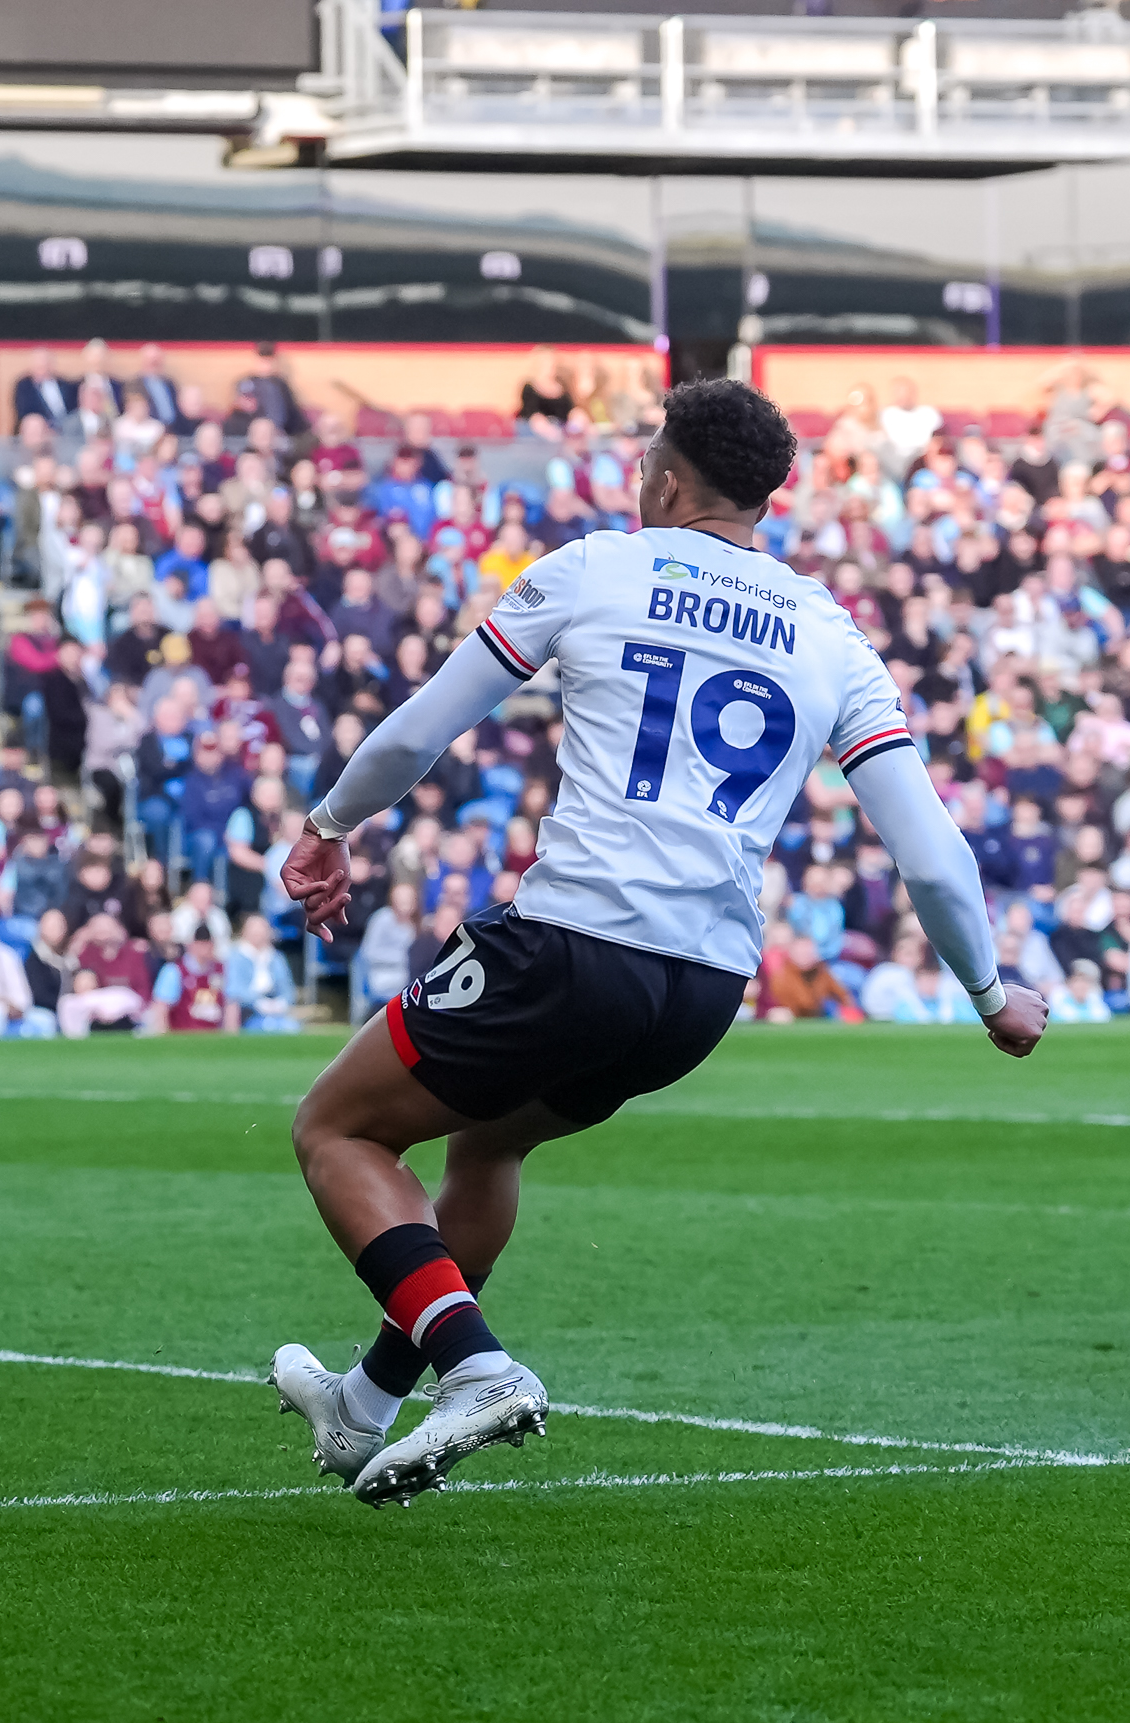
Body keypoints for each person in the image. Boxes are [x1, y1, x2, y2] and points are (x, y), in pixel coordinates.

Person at [271, 379, 1045, 1508]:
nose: (638, 473)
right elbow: (928, 854)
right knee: (485, 1147)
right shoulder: (832, 633)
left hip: (572, 941)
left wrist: (329, 826)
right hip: (698, 995)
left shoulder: (599, 568)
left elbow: (420, 730)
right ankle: (366, 1405)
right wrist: (988, 994)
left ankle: (476, 1369)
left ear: (670, 480)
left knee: (335, 1129)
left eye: (646, 458)